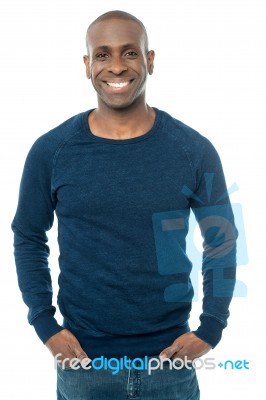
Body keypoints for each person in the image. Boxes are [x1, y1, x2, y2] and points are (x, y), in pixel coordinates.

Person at [12, 10, 237, 400]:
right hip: (84, 366)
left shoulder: (192, 151)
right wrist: (44, 324)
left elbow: (221, 239)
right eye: (103, 55)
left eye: (130, 53)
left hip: (170, 366)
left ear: (150, 60)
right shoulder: (52, 151)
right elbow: (28, 236)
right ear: (87, 65)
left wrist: (211, 328)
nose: (116, 66)